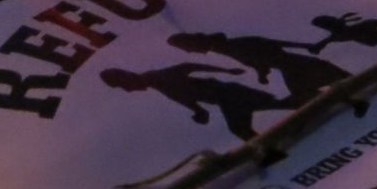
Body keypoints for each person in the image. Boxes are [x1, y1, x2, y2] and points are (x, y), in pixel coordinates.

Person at [100, 63, 296, 142]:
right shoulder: (159, 84)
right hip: (225, 98)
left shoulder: (160, 78)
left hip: (229, 95)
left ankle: (272, 152)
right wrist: (198, 111)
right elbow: (185, 97)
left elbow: (189, 67)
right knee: (269, 110)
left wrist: (226, 71)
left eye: (122, 84)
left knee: (241, 128)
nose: (127, 90)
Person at [166, 32, 347, 107]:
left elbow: (270, 46)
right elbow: (261, 59)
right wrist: (262, 75)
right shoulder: (230, 50)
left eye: (188, 46)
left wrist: (305, 45)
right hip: (292, 69)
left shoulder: (236, 45)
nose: (189, 51)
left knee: (310, 98)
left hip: (298, 67)